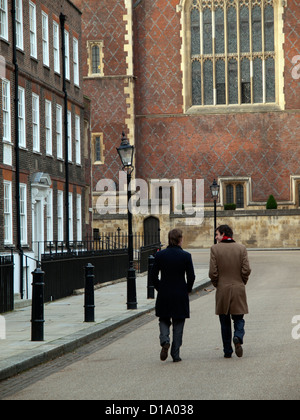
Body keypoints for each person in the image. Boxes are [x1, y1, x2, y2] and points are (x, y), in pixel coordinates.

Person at [150, 228, 195, 362]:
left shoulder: (160, 255)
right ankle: (175, 354)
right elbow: (191, 276)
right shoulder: (186, 256)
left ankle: (165, 341)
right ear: (180, 239)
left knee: (163, 319)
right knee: (178, 323)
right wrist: (188, 289)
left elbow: (153, 276)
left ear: (169, 239)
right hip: (180, 293)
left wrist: (160, 287)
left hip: (164, 292)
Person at [209, 225, 251, 358]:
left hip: (222, 289)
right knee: (239, 318)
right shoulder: (241, 248)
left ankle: (227, 350)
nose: (216, 237)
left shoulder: (215, 249)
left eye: (217, 234)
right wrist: (241, 281)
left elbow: (212, 272)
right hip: (238, 287)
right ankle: (238, 337)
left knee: (224, 321)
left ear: (223, 234)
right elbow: (246, 269)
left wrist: (218, 284)